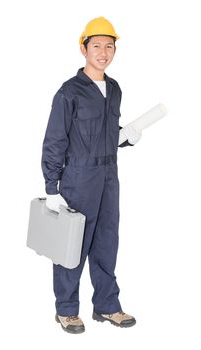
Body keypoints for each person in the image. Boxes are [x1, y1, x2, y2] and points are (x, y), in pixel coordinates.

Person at [41, 16, 142, 334]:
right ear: (83, 48)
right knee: (72, 245)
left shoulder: (114, 89)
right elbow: (55, 138)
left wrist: (124, 137)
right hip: (79, 177)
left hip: (109, 175)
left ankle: (108, 306)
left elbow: (106, 132)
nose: (103, 51)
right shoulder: (69, 91)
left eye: (109, 46)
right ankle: (66, 310)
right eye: (96, 45)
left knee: (106, 241)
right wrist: (51, 185)